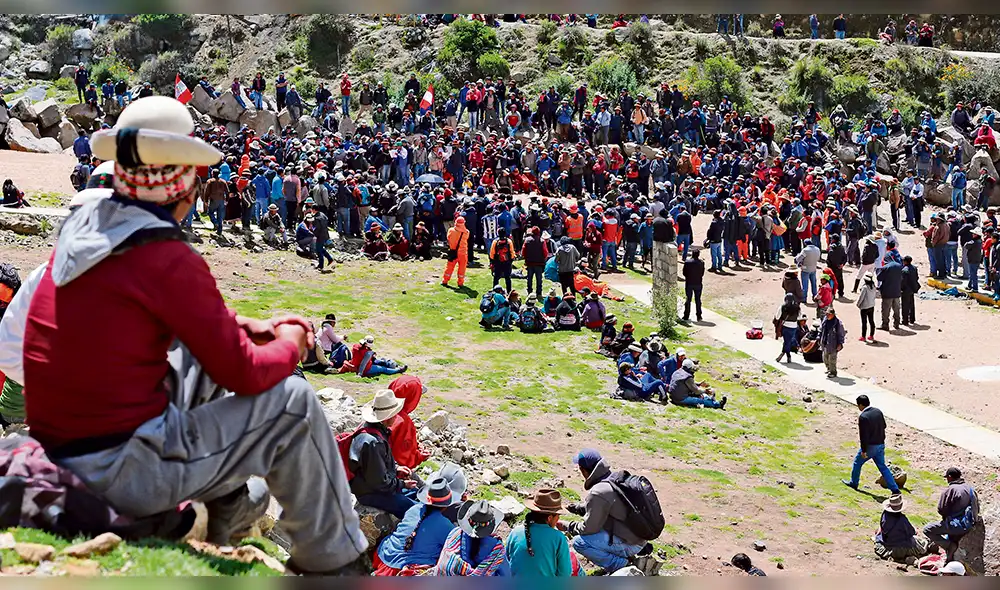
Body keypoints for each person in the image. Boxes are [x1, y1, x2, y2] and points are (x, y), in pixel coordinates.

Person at [21, 97, 367, 575]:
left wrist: (242, 328)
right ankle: (336, 564)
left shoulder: (88, 230)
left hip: (63, 448)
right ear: (183, 187)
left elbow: (153, 323)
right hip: (118, 468)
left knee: (197, 362)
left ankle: (224, 502)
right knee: (294, 404)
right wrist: (290, 341)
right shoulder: (164, 256)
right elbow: (244, 373)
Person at [565, 449, 651, 574]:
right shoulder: (614, 479)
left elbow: (589, 528)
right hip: (640, 539)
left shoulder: (598, 492)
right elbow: (605, 506)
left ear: (583, 470)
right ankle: (626, 555)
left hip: (631, 545)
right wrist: (577, 508)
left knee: (579, 542)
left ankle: (620, 565)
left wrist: (569, 526)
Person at [347, 389, 420, 518]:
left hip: (372, 485)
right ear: (388, 417)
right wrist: (402, 484)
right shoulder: (374, 443)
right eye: (395, 413)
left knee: (416, 494)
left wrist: (396, 468)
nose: (396, 416)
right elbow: (379, 483)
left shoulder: (370, 429)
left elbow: (377, 467)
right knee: (415, 510)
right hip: (370, 493)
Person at [374, 475, 462, 575]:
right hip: (403, 570)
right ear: (447, 505)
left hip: (385, 557)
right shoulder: (446, 525)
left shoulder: (414, 509)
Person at [505, 489, 573, 577]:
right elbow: (565, 573)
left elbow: (507, 561)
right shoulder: (558, 538)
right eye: (558, 515)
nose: (558, 519)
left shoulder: (515, 533)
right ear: (549, 518)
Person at [842, 395, 901, 495]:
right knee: (883, 467)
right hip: (880, 444)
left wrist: (864, 450)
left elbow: (863, 436)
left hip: (870, 446)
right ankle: (895, 489)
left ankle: (854, 483)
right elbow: (884, 426)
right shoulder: (878, 411)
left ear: (861, 405)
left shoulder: (863, 417)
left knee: (857, 463)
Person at [435, 500, 511, 576]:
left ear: (468, 519)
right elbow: (506, 575)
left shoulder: (455, 534)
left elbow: (444, 564)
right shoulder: (496, 548)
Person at [923, 467, 980, 561]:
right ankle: (950, 557)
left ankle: (949, 546)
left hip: (956, 525)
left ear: (950, 477)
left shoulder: (950, 489)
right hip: (969, 524)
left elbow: (941, 509)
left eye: (947, 478)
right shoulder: (970, 489)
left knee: (927, 529)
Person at [387, 375, 431, 470]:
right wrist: (419, 457)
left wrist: (415, 445)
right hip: (389, 471)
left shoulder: (381, 409)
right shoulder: (402, 422)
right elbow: (403, 461)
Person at [873, 494, 932, 563]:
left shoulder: (885, 514)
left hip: (887, 545)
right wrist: (914, 530)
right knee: (921, 543)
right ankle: (928, 546)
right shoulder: (902, 519)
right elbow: (912, 532)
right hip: (901, 547)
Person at [339, 335, 407, 377]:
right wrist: (360, 374)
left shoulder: (355, 346)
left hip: (356, 364)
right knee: (383, 369)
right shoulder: (368, 353)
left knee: (380, 362)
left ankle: (395, 366)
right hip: (366, 369)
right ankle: (398, 370)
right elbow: (363, 364)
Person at [442, 216, 470, 288]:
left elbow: (448, 238)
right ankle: (460, 282)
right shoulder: (466, 232)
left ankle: (445, 281)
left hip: (453, 252)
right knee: (462, 268)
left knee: (449, 267)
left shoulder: (451, 230)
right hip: (463, 253)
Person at [818, 307, 846, 378]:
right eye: (826, 314)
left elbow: (841, 334)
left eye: (829, 314)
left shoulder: (838, 323)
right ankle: (828, 368)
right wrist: (818, 337)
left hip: (833, 344)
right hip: (825, 342)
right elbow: (821, 329)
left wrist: (840, 343)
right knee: (825, 357)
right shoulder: (825, 320)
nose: (827, 315)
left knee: (832, 359)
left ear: (833, 314)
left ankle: (833, 372)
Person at [877, 255, 903, 331]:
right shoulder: (899, 266)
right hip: (897, 291)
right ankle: (896, 324)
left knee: (886, 310)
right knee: (896, 309)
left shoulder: (885, 267)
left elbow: (879, 278)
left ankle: (885, 325)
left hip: (887, 292)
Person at [774, 293, 801, 363]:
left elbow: (777, 317)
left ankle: (785, 354)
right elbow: (799, 317)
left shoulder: (782, 307)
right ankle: (787, 355)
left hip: (785, 326)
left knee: (787, 341)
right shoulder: (797, 307)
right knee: (788, 341)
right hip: (794, 327)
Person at [489, 228, 515, 293]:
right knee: (508, 278)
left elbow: (492, 253)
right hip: (507, 262)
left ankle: (495, 291)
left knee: (496, 278)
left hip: (498, 262)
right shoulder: (509, 241)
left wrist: (492, 261)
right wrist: (511, 260)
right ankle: (509, 291)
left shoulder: (495, 242)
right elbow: (512, 252)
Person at [682, 249, 704, 322]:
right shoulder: (701, 263)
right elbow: (702, 273)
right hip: (698, 283)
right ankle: (699, 316)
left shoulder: (687, 262)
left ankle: (686, 315)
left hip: (689, 283)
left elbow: (684, 273)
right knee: (698, 300)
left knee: (688, 299)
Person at [856, 272, 878, 342]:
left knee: (864, 322)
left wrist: (858, 304)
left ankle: (863, 336)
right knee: (871, 321)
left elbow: (861, 297)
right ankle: (871, 335)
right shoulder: (874, 286)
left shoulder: (865, 287)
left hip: (864, 307)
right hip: (871, 306)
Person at [901, 256, 920, 325]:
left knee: (905, 305)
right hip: (913, 288)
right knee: (911, 304)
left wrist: (901, 289)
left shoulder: (904, 270)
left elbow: (903, 281)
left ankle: (905, 320)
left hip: (906, 290)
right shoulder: (914, 268)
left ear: (905, 262)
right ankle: (912, 319)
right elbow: (917, 277)